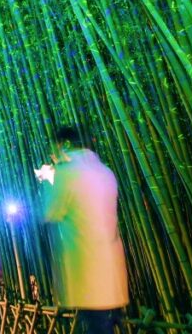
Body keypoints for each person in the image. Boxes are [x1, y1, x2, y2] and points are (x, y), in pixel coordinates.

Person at [40, 125, 128, 334]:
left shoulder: (65, 174)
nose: (52, 152)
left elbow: (50, 212)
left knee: (95, 327)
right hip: (112, 271)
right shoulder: (106, 172)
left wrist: (48, 177)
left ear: (64, 145)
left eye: (54, 147)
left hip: (86, 269)